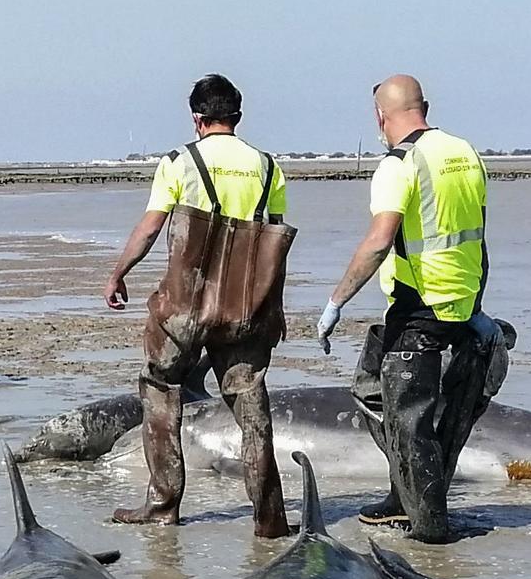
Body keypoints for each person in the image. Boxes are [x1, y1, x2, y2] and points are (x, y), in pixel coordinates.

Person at [313, 75, 504, 543]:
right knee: (378, 392)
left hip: (420, 306)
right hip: (465, 302)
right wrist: (474, 307)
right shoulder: (464, 152)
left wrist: (336, 301)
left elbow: (380, 241)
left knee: (408, 419)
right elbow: (474, 232)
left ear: (380, 117)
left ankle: (430, 531)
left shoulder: (399, 164)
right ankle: (404, 495)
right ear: (426, 106)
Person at [103, 74, 292, 533]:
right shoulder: (268, 168)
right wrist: (274, 310)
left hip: (185, 308)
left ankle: (163, 504)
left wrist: (118, 273)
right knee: (251, 407)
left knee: (161, 388)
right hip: (246, 308)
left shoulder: (179, 162)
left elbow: (150, 229)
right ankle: (269, 518)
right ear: (238, 118)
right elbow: (273, 243)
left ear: (196, 118)